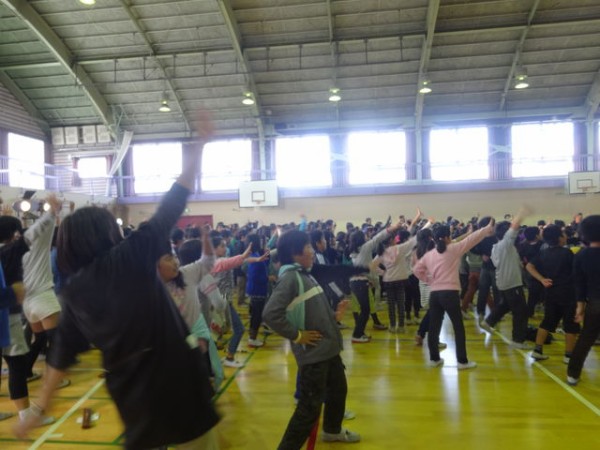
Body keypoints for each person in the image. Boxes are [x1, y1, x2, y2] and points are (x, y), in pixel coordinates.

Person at [15, 114, 220, 450]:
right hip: (176, 378)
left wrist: (38, 410)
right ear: (107, 232)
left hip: (130, 392)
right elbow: (174, 201)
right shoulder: (131, 254)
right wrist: (198, 146)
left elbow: (59, 357)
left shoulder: (74, 291)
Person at [263, 230, 360, 449]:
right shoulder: (290, 278)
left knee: (338, 391)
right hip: (314, 355)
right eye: (308, 248)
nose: (312, 252)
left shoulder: (305, 274)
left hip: (328, 350)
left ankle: (332, 430)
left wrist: (335, 315)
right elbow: (270, 314)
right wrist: (297, 336)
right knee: (308, 409)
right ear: (295, 253)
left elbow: (311, 311)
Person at [413, 220, 495, 369]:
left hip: (435, 294)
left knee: (434, 326)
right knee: (458, 327)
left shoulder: (429, 254)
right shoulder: (453, 249)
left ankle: (434, 359)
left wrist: (430, 280)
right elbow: (472, 239)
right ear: (446, 237)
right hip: (449, 294)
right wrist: (487, 228)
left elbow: (416, 270)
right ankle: (462, 361)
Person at [525, 225, 579, 363]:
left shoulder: (543, 253)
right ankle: (568, 355)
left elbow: (529, 266)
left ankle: (537, 350)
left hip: (550, 293)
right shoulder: (567, 253)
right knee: (570, 325)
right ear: (559, 237)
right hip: (568, 294)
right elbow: (577, 273)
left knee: (547, 322)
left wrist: (542, 279)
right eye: (563, 234)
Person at [480, 207, 532, 349]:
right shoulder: (505, 244)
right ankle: (518, 340)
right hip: (511, 283)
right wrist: (522, 213)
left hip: (503, 282)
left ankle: (489, 321)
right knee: (521, 311)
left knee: (506, 304)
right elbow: (513, 228)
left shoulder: (496, 246)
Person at [567, 215, 600, 386]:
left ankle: (572, 374)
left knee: (586, 338)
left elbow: (578, 283)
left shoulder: (581, 255)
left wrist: (580, 307)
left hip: (594, 302)